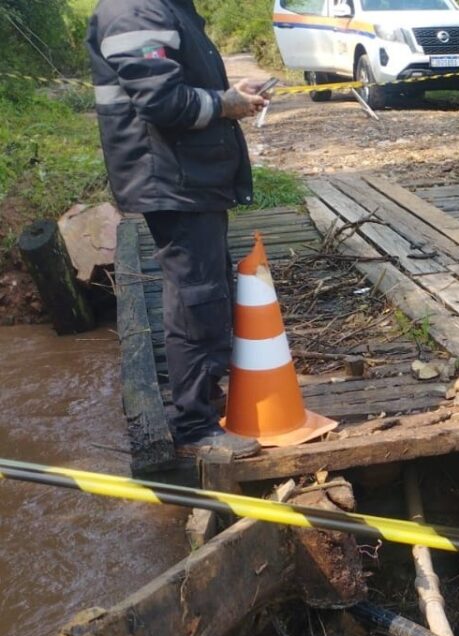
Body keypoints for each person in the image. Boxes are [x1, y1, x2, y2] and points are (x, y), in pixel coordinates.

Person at [87, 0, 272, 457]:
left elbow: (174, 85)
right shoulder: (136, 9)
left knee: (206, 291)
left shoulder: (164, 7)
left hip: (187, 176)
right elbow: (162, 102)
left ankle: (206, 402)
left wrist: (228, 93)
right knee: (196, 298)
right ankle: (194, 427)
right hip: (171, 179)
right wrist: (225, 104)